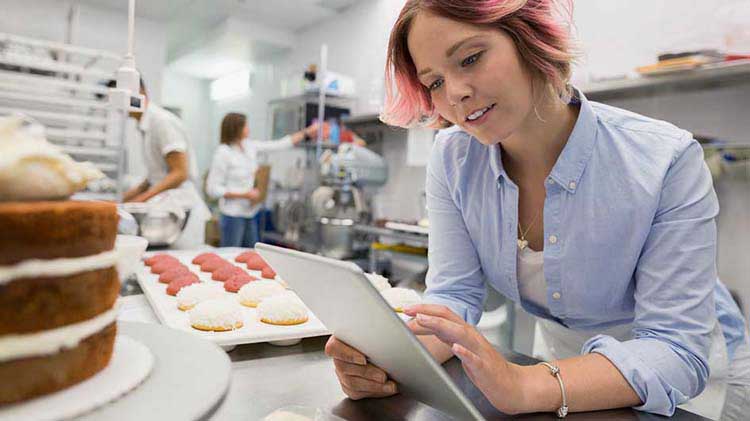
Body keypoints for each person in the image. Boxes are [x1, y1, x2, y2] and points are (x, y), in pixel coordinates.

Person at [324, 0, 750, 419]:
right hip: (566, 375)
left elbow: (675, 349)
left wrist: (526, 385)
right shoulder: (454, 158)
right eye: (433, 82)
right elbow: (455, 295)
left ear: (529, 36)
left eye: (470, 58)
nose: (455, 93)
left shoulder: (664, 159)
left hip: (692, 386)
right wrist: (392, 359)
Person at [205, 113, 323, 248]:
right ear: (235, 128)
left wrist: (306, 133)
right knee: (230, 254)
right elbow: (212, 189)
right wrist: (244, 194)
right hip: (233, 214)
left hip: (250, 212)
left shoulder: (249, 147)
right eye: (245, 126)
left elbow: (279, 144)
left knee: (251, 253)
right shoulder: (223, 153)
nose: (248, 129)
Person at [122, 78, 210, 248]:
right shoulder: (145, 126)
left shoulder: (161, 122)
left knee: (179, 267)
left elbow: (179, 173)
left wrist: (141, 200)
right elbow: (153, 177)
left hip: (180, 214)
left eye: (123, 98)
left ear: (139, 92)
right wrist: (120, 201)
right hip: (168, 212)